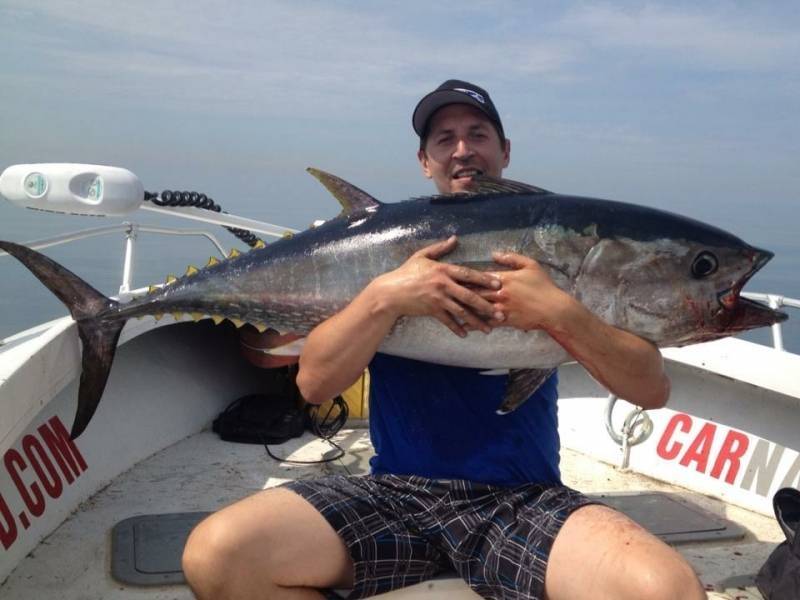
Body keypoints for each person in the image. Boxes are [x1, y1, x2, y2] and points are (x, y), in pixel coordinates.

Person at [182, 80, 706, 600]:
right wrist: (385, 296)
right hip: (394, 497)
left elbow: (650, 388)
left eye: (477, 134)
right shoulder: (388, 255)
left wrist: (559, 311)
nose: (462, 149)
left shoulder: (556, 242)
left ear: (504, 151)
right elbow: (316, 385)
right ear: (424, 160)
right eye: (444, 138)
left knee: (667, 590)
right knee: (218, 556)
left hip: (520, 502)